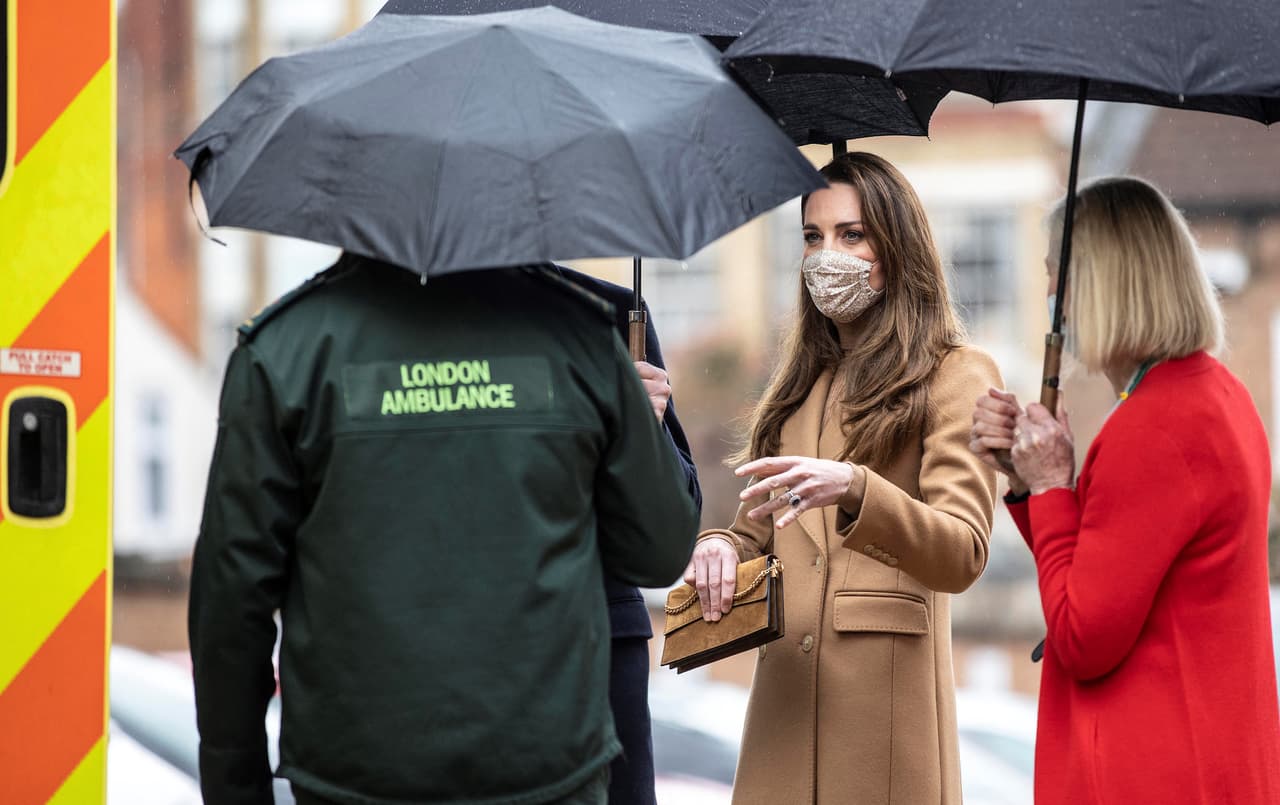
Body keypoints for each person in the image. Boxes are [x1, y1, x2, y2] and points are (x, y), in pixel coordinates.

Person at [188, 254, 700, 805]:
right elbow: (658, 551)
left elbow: (230, 605)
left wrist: (236, 789)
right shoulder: (583, 334)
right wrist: (628, 424)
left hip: (353, 772)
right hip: (546, 768)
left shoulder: (286, 349)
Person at [686, 151, 1001, 805]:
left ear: (896, 247)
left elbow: (964, 550)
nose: (826, 254)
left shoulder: (956, 373)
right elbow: (754, 537)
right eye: (812, 236)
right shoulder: (796, 390)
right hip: (781, 725)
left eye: (850, 234)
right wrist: (719, 546)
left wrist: (857, 488)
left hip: (885, 741)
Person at [969, 176, 1280, 804]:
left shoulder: (1154, 427)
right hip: (1207, 756)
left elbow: (1084, 635)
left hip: (1154, 768)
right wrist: (1031, 485)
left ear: (1102, 280)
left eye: (1057, 273)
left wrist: (1055, 485)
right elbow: (1116, 567)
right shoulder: (1213, 394)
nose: (1051, 293)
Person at [553, 265, 702, 805]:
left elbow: (671, 531)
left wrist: (644, 431)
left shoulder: (613, 316)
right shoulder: (406, 325)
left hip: (599, 658)